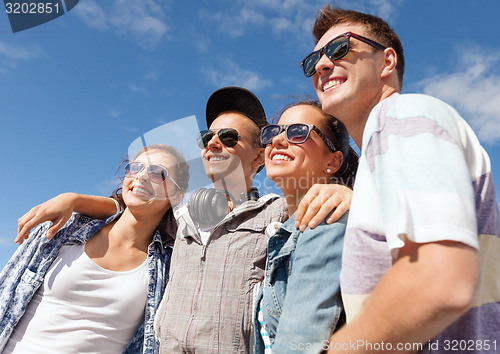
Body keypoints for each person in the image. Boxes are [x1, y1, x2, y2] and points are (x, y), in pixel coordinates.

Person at [14, 87, 353, 353]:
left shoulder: (277, 214)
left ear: (260, 158)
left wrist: (346, 192)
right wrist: (73, 199)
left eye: (230, 138)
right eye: (208, 137)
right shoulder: (180, 215)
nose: (214, 143)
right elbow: (132, 204)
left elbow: (322, 203)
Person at [300, 5, 500, 353]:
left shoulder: (402, 115)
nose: (321, 64)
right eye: (312, 61)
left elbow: (438, 280)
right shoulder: (384, 150)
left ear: (387, 62)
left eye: (339, 48)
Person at [0, 144, 188, 353]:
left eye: (158, 173)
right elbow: (5, 292)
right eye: (136, 167)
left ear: (177, 195)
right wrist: (71, 198)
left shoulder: (169, 268)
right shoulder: (62, 229)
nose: (141, 177)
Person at [254, 100, 358, 353]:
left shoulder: (325, 219)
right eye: (272, 132)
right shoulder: (285, 232)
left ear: (332, 162)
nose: (277, 141)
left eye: (298, 131)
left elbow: (299, 343)